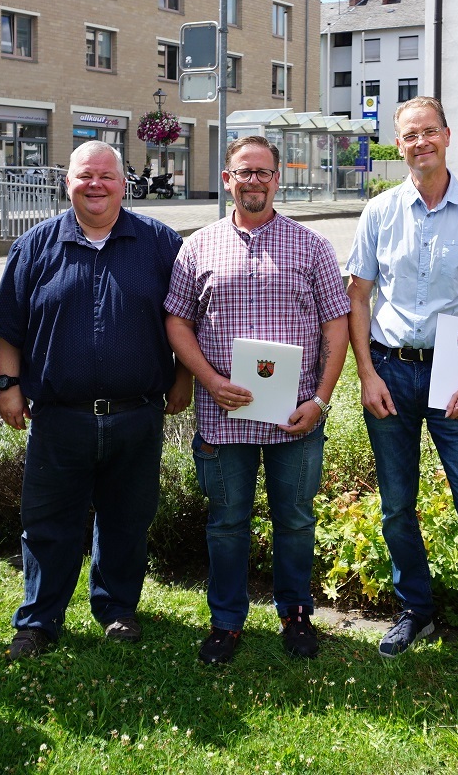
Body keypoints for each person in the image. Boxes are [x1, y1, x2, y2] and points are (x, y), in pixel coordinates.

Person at [345, 95, 458, 697]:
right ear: (399, 145)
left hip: (456, 374)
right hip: (391, 370)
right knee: (397, 505)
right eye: (409, 135)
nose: (420, 143)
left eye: (430, 132)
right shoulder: (378, 212)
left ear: (447, 136)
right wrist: (366, 374)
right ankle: (415, 610)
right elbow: (358, 298)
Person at [0, 140, 189, 661]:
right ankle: (38, 621)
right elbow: (8, 324)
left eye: (106, 176)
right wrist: (8, 386)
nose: (95, 185)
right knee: (48, 523)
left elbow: (187, 319)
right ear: (67, 182)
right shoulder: (35, 245)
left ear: (124, 183)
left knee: (126, 519)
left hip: (137, 411)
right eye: (84, 176)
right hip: (59, 415)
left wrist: (183, 379)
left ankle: (117, 609)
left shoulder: (161, 243)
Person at [164, 135, 352, 664]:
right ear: (228, 179)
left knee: (295, 518)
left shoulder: (311, 246)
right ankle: (226, 621)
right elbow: (177, 321)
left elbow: (336, 324)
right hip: (225, 418)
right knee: (227, 522)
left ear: (277, 179)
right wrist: (207, 378)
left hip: (296, 417)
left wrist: (321, 399)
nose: (253, 180)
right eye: (243, 172)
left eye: (263, 172)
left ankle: (295, 614)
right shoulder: (198, 246)